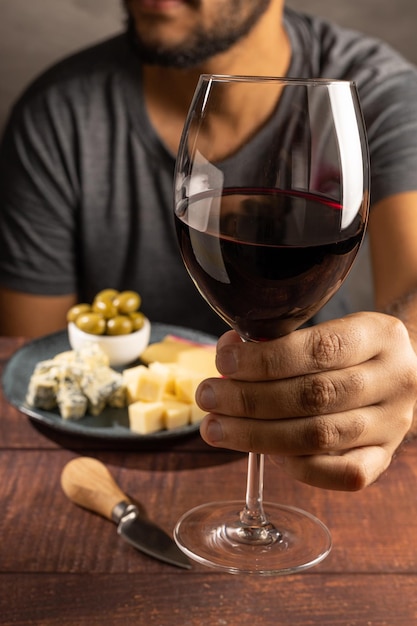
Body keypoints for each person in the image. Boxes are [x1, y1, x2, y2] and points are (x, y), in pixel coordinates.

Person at [1, 0, 417, 491]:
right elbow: (37, 371)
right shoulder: (57, 114)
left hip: (306, 465)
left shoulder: (375, 92)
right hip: (124, 470)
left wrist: (401, 365)